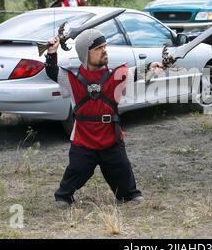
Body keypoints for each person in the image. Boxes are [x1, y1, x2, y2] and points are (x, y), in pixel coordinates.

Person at [45, 28, 164, 209]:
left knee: (124, 179)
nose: (104, 50)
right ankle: (63, 196)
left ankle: (128, 194)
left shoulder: (116, 75)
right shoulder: (72, 79)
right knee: (75, 172)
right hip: (83, 141)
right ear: (86, 54)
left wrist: (150, 67)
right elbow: (52, 71)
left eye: (105, 46)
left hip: (111, 140)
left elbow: (136, 72)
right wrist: (51, 52)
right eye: (98, 48)